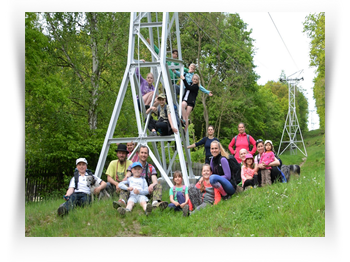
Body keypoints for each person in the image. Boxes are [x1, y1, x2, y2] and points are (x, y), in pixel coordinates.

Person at [114, 145, 168, 209]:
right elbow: (127, 176)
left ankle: (155, 203)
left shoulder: (151, 167)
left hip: (146, 190)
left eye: (145, 153)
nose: (143, 155)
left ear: (148, 155)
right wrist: (120, 184)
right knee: (125, 184)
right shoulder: (132, 166)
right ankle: (122, 202)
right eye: (142, 152)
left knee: (158, 185)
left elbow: (155, 181)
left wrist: (152, 185)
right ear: (138, 154)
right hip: (132, 191)